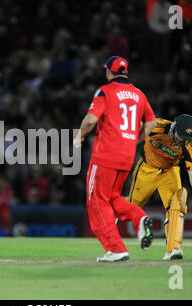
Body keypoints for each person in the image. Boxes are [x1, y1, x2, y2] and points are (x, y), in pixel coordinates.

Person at [74, 56, 157, 262]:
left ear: (110, 72)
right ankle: (140, 218)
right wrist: (132, 141)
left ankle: (116, 248)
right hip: (127, 156)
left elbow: (91, 119)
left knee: (96, 201)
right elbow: (152, 125)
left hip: (105, 155)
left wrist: (80, 135)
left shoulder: (105, 91)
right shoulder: (139, 95)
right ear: (125, 72)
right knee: (112, 198)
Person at [127, 114, 192, 260]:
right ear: (173, 126)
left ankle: (173, 249)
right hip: (146, 170)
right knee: (130, 206)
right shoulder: (156, 126)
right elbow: (131, 135)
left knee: (177, 203)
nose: (181, 141)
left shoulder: (188, 145)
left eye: (185, 139)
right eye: (179, 136)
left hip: (169, 171)